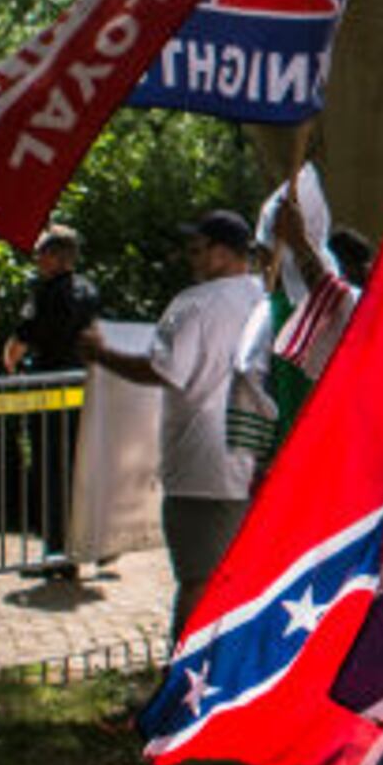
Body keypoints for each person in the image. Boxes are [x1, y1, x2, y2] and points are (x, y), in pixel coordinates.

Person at [79, 207, 270, 628]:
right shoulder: (266, 297)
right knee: (241, 584)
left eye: (198, 248)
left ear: (223, 253)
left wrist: (101, 354)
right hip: (255, 460)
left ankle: (180, 685)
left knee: (198, 581)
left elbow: (163, 370)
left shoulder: (193, 304)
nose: (190, 257)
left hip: (202, 468)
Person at [3, 221, 105, 576]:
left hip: (48, 392)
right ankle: (79, 550)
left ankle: (56, 552)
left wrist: (10, 367)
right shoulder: (89, 291)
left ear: (57, 257)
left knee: (49, 472)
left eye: (41, 252)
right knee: (77, 469)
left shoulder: (45, 293)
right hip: (82, 391)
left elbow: (19, 342)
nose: (36, 259)